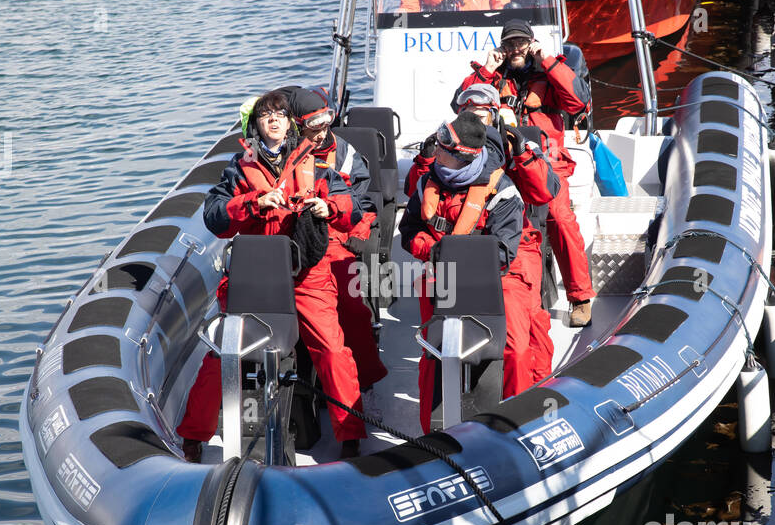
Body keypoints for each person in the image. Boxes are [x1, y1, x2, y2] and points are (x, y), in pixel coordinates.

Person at [177, 89, 367, 461]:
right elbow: (214, 216)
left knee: (331, 349)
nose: (274, 120)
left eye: (280, 114)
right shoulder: (237, 169)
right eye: (266, 116)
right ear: (256, 126)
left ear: (290, 123)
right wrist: (253, 202)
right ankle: (192, 435)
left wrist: (326, 207)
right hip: (255, 277)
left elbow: (352, 209)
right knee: (223, 352)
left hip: (306, 275)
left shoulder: (316, 163)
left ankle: (350, 435)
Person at [400, 112, 553, 435]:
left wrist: (457, 259)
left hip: (498, 275)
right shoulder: (428, 181)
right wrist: (431, 250)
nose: (435, 153)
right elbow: (409, 229)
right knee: (433, 351)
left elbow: (502, 253)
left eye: (442, 149)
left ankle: (519, 425)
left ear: (461, 157)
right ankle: (433, 435)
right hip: (442, 269)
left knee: (514, 348)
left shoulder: (503, 191)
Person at [457, 17, 595, 326]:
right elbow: (461, 104)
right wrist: (486, 69)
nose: (515, 48)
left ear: (530, 43)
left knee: (559, 219)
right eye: (510, 43)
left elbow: (579, 101)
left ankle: (580, 297)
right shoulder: (495, 77)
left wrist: (544, 58)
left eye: (521, 42)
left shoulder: (549, 72)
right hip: (503, 163)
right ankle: (492, 291)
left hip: (546, 163)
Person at [285, 86, 387, 394]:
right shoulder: (285, 154)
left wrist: (352, 236)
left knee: (353, 310)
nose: (320, 133)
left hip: (338, 240)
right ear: (297, 126)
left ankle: (365, 377)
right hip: (294, 242)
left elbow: (365, 204)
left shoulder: (344, 153)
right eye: (312, 127)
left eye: (325, 123)